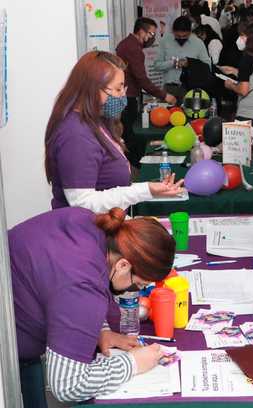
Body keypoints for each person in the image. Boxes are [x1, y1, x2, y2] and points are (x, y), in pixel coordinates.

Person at [10, 207, 176, 406]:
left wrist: (101, 329)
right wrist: (132, 364)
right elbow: (67, 385)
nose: (136, 292)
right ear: (123, 265)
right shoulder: (83, 287)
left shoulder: (91, 222)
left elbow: (63, 291)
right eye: (139, 284)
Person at [44, 51, 184, 214]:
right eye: (117, 90)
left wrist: (146, 189)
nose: (122, 97)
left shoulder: (97, 121)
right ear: (92, 88)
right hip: (88, 232)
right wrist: (144, 191)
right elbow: (82, 203)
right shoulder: (76, 135)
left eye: (123, 88)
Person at [116, 17, 177, 171]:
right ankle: (136, 165)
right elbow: (141, 79)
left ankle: (132, 164)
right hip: (127, 97)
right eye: (150, 34)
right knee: (131, 133)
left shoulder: (126, 44)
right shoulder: (133, 49)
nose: (151, 38)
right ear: (141, 31)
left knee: (128, 132)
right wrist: (164, 95)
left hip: (126, 94)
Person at [220, 22, 253, 131]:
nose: (240, 39)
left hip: (248, 113)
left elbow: (243, 90)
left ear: (252, 38)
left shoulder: (247, 58)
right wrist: (235, 71)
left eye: (243, 36)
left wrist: (230, 85)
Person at [154, 16, 211, 102]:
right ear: (173, 31)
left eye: (184, 36)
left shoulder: (198, 43)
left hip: (190, 89)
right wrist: (173, 63)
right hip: (169, 89)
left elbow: (207, 67)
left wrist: (190, 64)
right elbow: (157, 65)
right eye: (178, 36)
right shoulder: (165, 41)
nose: (181, 38)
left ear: (190, 32)